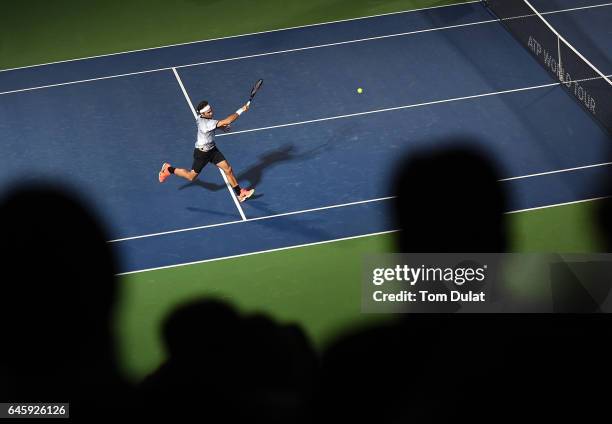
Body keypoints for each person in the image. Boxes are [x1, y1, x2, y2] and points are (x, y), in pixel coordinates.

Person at [158, 100, 255, 202]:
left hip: (212, 149)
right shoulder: (205, 123)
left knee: (228, 169)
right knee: (191, 177)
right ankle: (169, 169)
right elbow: (227, 121)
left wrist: (221, 128)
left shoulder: (202, 117)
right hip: (202, 154)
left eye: (211, 110)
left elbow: (215, 126)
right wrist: (241, 110)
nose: (211, 113)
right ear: (203, 114)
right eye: (208, 112)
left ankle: (240, 193)